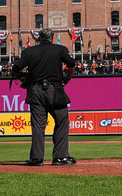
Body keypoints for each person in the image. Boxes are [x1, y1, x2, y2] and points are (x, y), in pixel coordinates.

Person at [11, 28, 76, 166]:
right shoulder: (60, 49)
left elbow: (16, 69)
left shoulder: (29, 52)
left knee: (38, 125)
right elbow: (72, 64)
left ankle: (36, 158)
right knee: (62, 121)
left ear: (38, 38)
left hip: (35, 90)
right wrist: (68, 78)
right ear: (52, 38)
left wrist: (24, 77)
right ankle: (60, 157)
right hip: (55, 90)